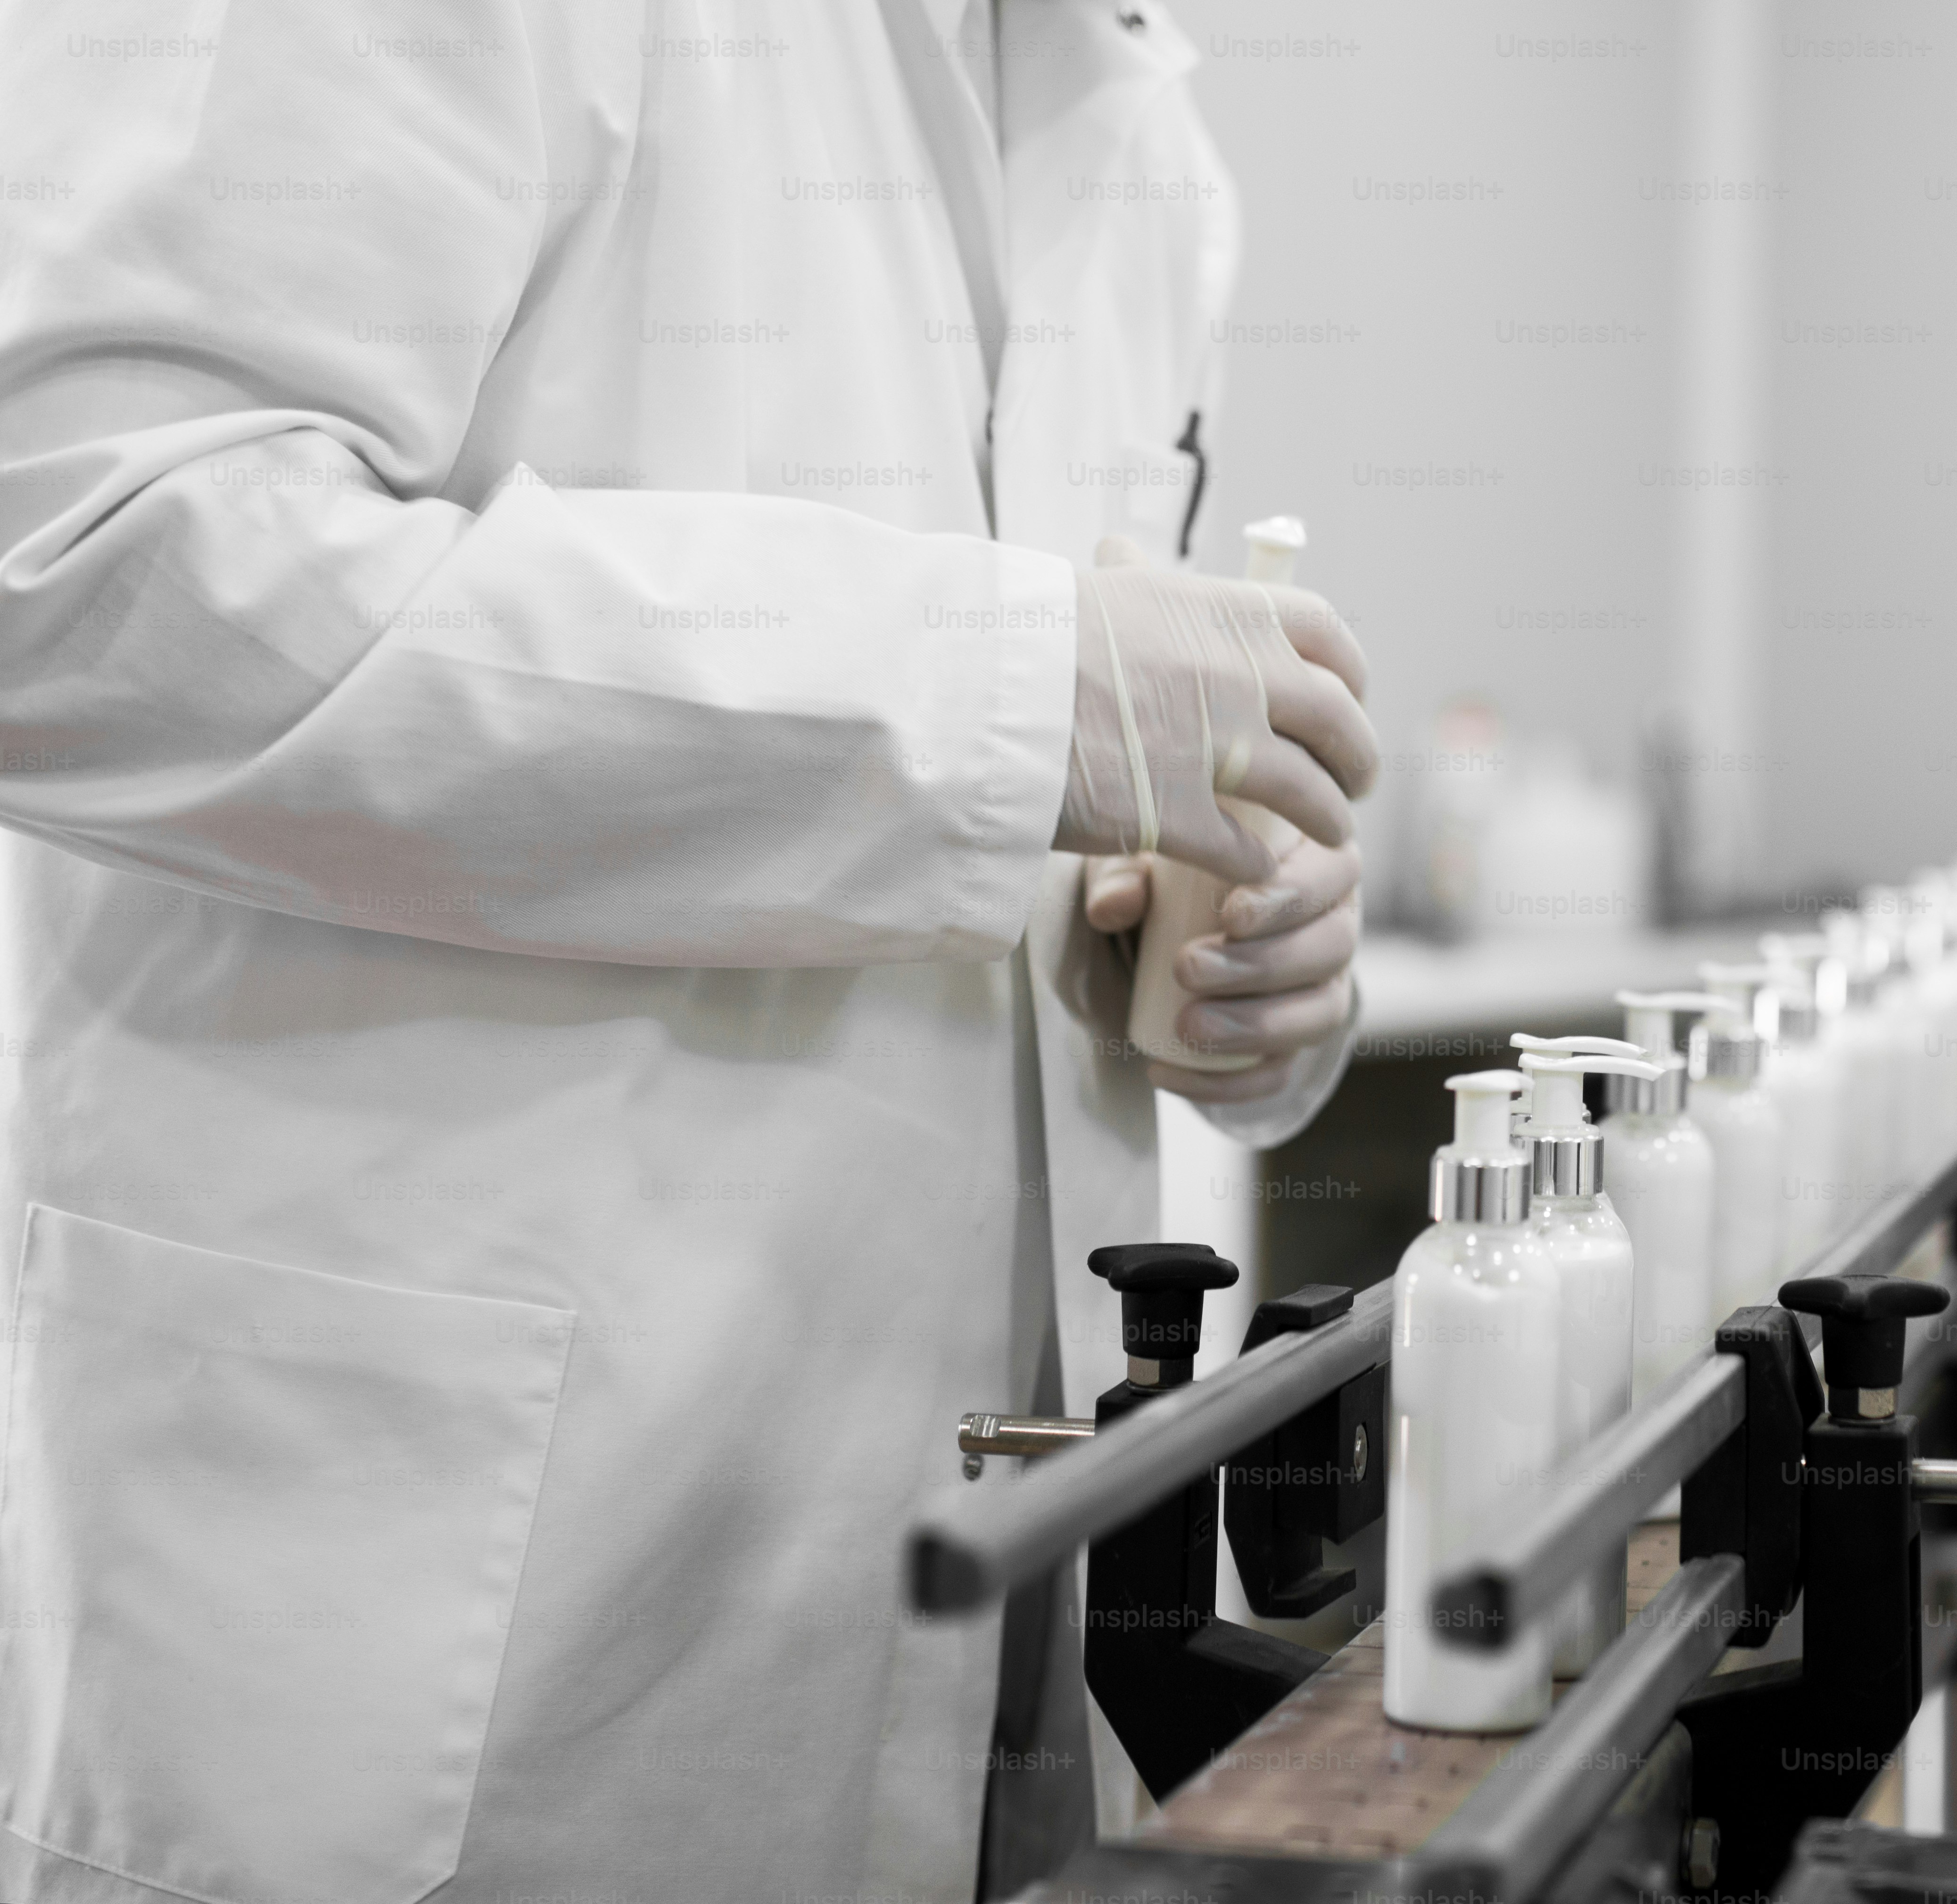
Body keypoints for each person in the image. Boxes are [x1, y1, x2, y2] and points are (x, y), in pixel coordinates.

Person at [0, 4, 1364, 1899]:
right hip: (451, 1635)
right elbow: (70, 553)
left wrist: (1239, 966)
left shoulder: (1111, 89)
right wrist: (1007, 696)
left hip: (995, 1599)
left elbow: (1008, 786)